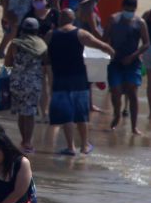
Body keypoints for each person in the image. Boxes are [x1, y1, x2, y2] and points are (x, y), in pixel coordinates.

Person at [47, 8, 113, 156]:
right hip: (79, 80)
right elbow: (102, 46)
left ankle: (70, 147)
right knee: (81, 115)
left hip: (60, 79)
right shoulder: (80, 34)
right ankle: (84, 146)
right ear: (73, 19)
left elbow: (45, 57)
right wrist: (112, 55)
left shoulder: (51, 35)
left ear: (60, 19)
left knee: (66, 115)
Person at [104, 0, 149, 134]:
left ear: (135, 9)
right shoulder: (113, 19)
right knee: (115, 90)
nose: (129, 12)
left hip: (133, 62)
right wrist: (110, 52)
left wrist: (134, 56)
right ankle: (117, 113)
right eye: (127, 9)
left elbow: (146, 43)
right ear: (122, 7)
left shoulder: (140, 22)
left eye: (132, 10)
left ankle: (134, 126)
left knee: (132, 92)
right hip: (115, 61)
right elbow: (105, 38)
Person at [4, 16, 48, 152]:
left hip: (16, 82)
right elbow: (45, 63)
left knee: (21, 113)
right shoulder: (41, 45)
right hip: (33, 83)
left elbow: (7, 63)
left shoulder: (15, 43)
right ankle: (27, 143)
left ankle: (24, 140)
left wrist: (15, 72)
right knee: (29, 114)